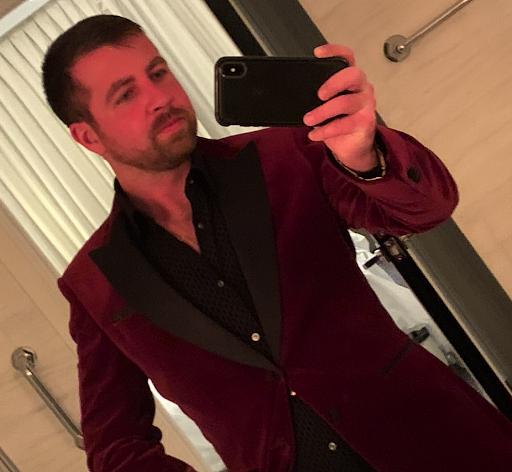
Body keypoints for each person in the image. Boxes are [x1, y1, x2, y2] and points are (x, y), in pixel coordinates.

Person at [42, 14, 512, 472]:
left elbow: (427, 209)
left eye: (158, 72)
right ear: (88, 137)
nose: (160, 97)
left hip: (441, 444)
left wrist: (367, 154)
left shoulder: (283, 157)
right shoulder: (95, 284)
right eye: (126, 94)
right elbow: (116, 448)